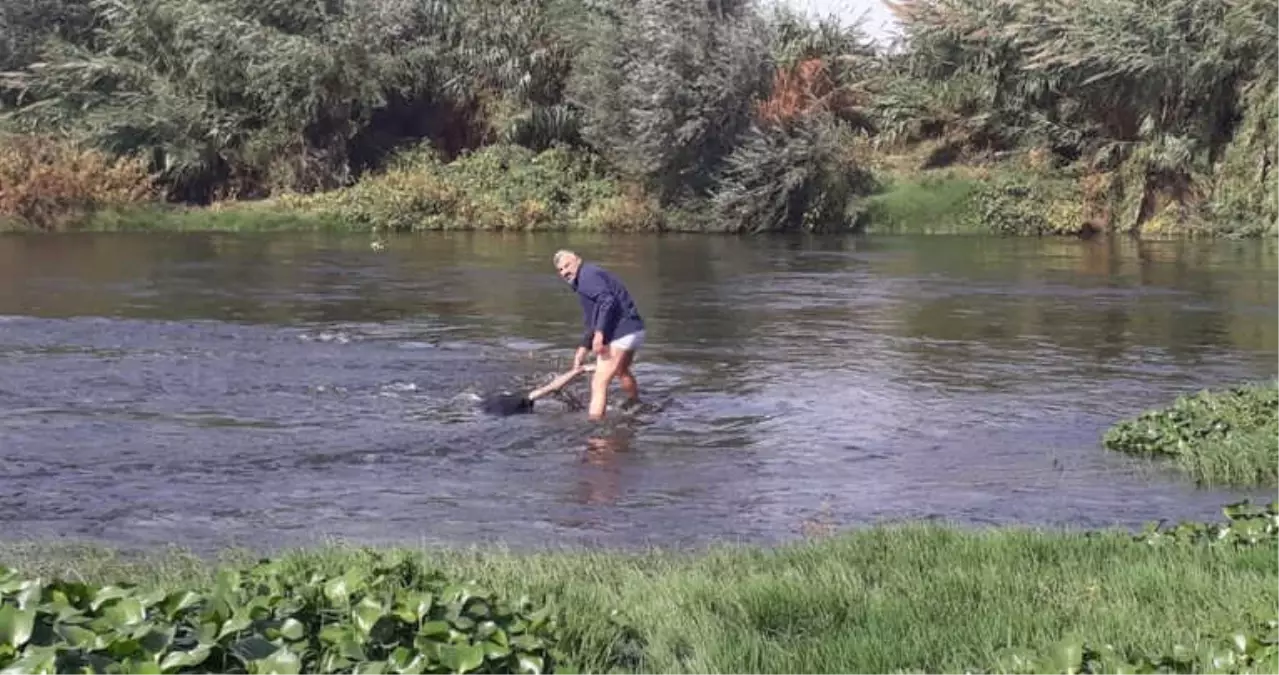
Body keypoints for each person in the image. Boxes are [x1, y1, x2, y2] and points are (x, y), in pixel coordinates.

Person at [552, 249, 646, 420]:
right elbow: (592, 318)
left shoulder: (587, 276)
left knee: (598, 382)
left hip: (622, 332)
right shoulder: (587, 277)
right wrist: (583, 348)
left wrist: (600, 334)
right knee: (622, 370)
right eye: (561, 270)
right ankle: (635, 403)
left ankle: (595, 429)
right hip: (635, 330)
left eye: (567, 265)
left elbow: (606, 301)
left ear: (578, 260)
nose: (565, 271)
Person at [480, 364, 593, 416]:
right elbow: (552, 387)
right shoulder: (521, 400)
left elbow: (552, 387)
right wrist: (580, 370)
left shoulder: (484, 403)